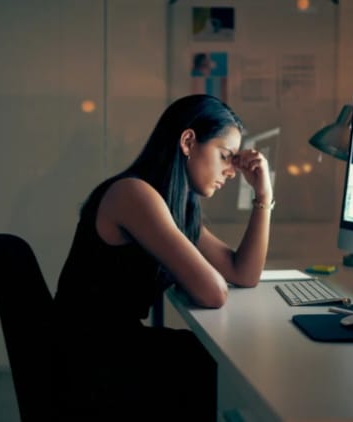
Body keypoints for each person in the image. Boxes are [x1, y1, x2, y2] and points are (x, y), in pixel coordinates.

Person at [52, 94, 273, 420]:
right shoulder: (133, 194)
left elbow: (243, 273)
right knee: (200, 362)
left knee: (196, 357)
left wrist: (263, 196)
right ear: (188, 141)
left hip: (105, 350)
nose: (230, 172)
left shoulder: (173, 206)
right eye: (225, 156)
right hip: (85, 362)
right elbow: (214, 293)